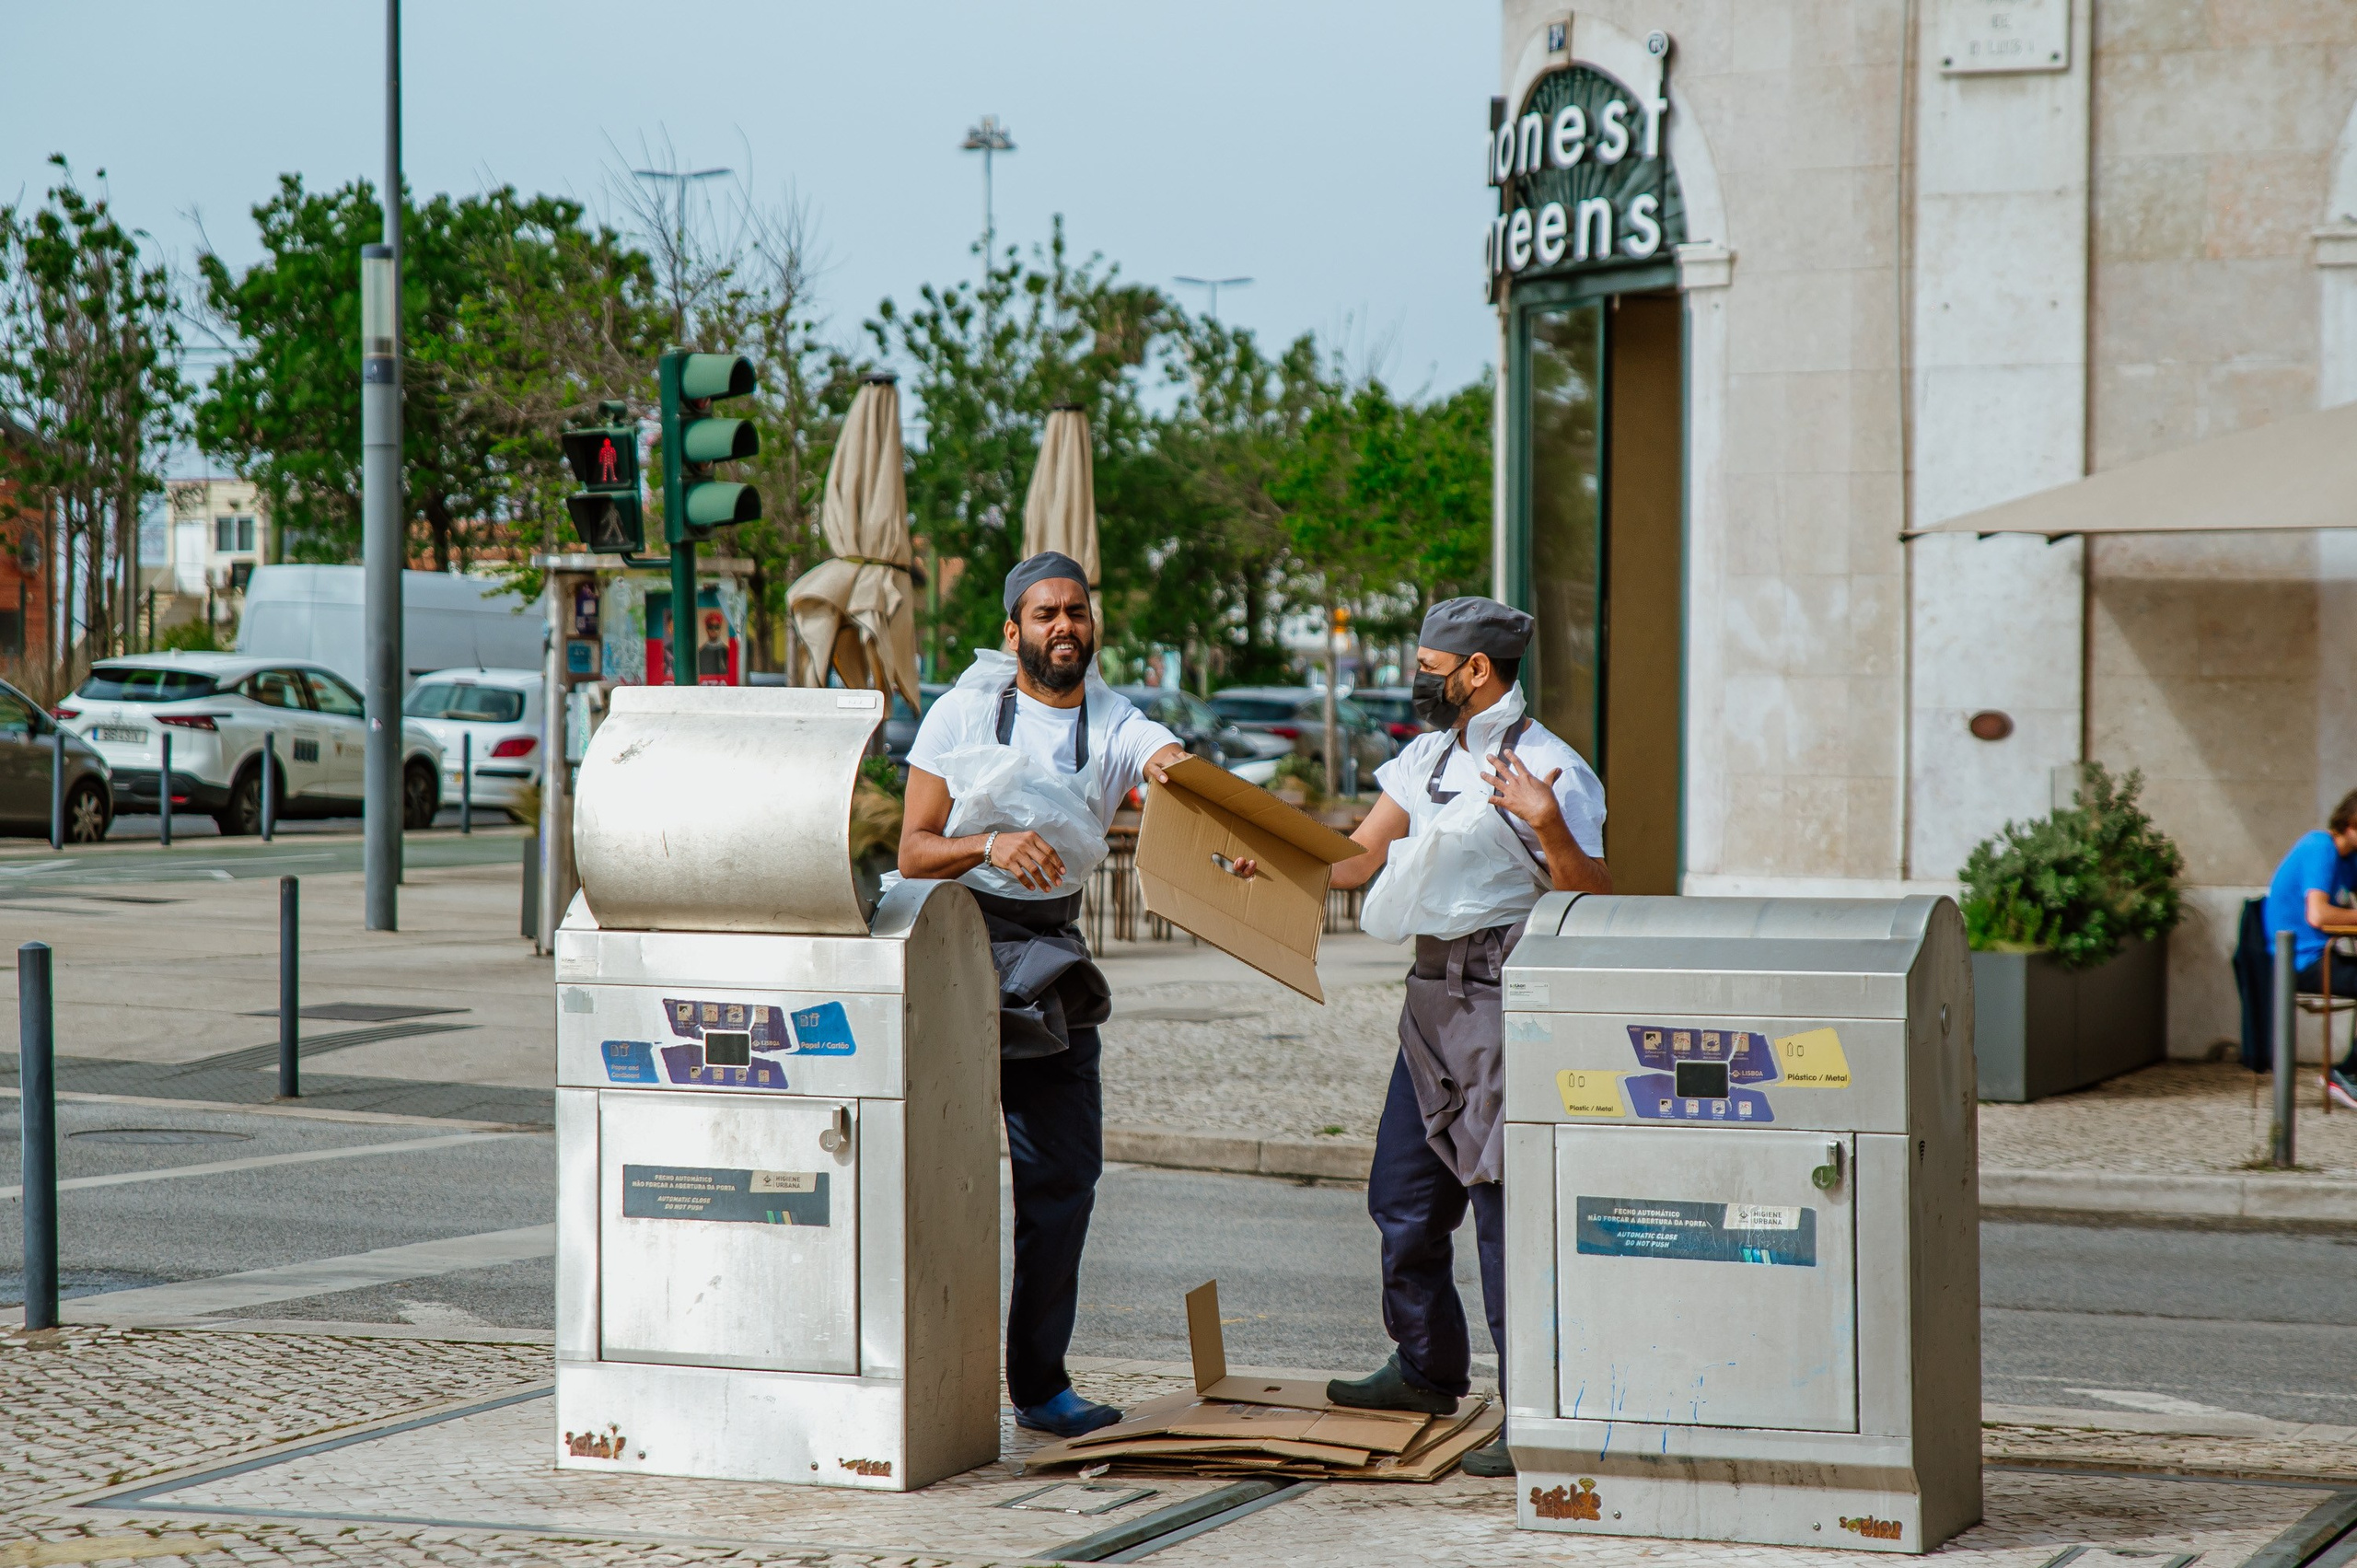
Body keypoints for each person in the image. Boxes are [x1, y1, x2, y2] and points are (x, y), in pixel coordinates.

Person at [896, 551, 1196, 1438]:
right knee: (920, 1169)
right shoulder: (962, 711)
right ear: (1012, 631)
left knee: (1062, 1175)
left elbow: (1175, 766)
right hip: (951, 938)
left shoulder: (1115, 719)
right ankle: (907, 1373)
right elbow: (914, 848)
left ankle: (1038, 1385)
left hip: (1049, 953)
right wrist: (987, 844)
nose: (1064, 626)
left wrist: (1224, 829)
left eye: (1076, 611)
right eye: (1045, 614)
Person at [1320, 596, 1611, 1479]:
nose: (1417, 679)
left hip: (1499, 994)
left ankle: (1530, 1411)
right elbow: (1359, 859)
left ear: (1476, 671)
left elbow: (1596, 894)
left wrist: (1549, 822)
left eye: (1427, 666)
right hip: (1429, 993)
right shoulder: (1427, 758)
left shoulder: (1553, 768)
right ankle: (1425, 1369)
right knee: (1403, 1196)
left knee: (1499, 1209)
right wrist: (1265, 857)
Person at [2264, 791, 2357, 1106]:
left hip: (2322, 956)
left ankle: (2347, 1072)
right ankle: (2345, 1073)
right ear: (2352, 823)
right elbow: (2318, 914)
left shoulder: (2349, 859)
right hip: (2298, 962)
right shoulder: (2321, 847)